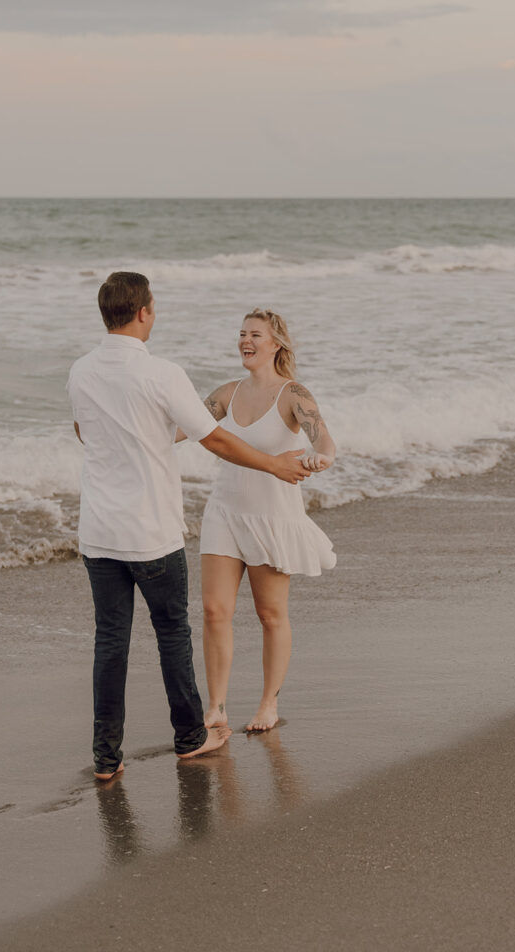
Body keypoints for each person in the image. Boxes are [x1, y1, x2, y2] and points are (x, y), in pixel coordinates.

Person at [68, 275, 310, 781]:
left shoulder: (80, 371)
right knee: (171, 633)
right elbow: (215, 440)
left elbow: (83, 432)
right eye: (152, 307)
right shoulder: (162, 373)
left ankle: (106, 759)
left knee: (110, 641)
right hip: (151, 532)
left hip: (97, 531)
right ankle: (190, 738)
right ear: (142, 313)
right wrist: (274, 466)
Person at [196, 308, 336, 732]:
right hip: (223, 511)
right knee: (214, 610)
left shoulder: (293, 394)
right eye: (241, 334)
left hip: (271, 516)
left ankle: (268, 704)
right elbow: (181, 427)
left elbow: (323, 438)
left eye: (255, 334)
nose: (246, 340)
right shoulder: (227, 393)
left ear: (276, 344)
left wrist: (322, 457)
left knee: (270, 614)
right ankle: (216, 707)